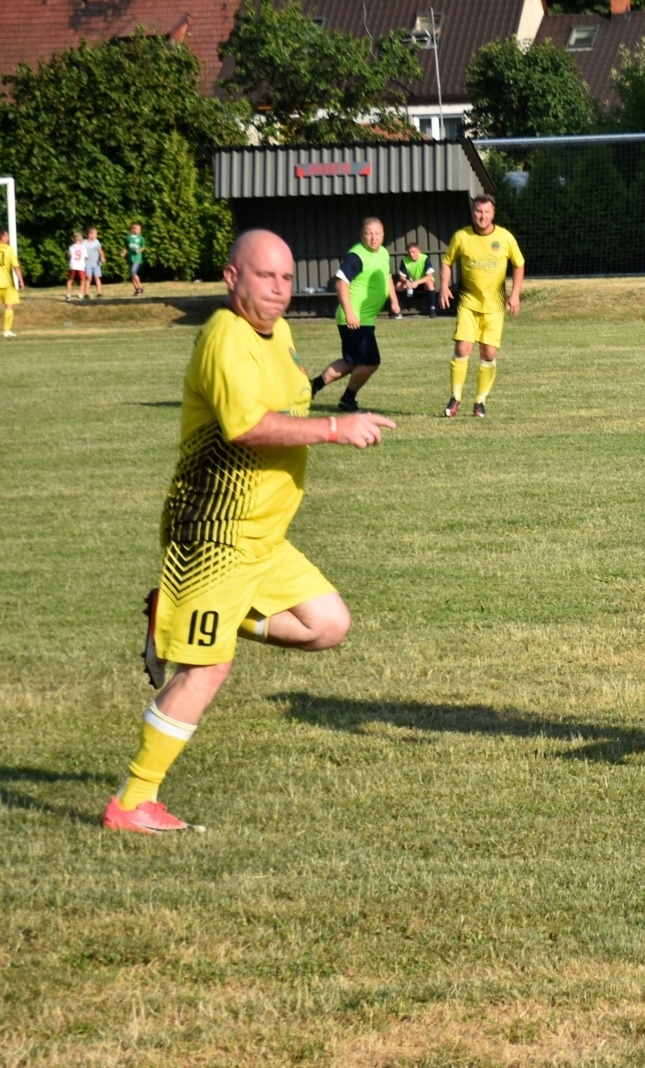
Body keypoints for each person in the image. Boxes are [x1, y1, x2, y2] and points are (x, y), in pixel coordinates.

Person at [105, 229, 396, 835]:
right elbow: (246, 427)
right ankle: (133, 801)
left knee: (328, 624)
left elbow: (289, 399)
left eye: (287, 279)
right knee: (207, 671)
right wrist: (336, 430)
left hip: (263, 537)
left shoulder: (279, 333)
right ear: (232, 277)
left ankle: (174, 614)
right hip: (213, 536)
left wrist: (321, 397)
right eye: (266, 277)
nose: (279, 290)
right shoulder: (223, 338)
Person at [439, 194, 525, 418]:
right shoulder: (462, 236)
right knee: (462, 348)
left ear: (493, 213)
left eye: (487, 212)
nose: (482, 216)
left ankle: (480, 402)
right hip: (468, 304)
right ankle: (455, 398)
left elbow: (519, 264)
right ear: (473, 212)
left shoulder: (504, 237)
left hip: (495, 307)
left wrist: (515, 294)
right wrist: (444, 286)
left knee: (488, 352)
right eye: (478, 211)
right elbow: (447, 261)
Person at [308, 217, 402, 413]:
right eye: (368, 234)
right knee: (370, 362)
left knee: (352, 362)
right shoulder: (356, 255)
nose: (373, 238)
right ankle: (347, 400)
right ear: (361, 235)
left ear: (383, 235)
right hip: (355, 319)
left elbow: (386, 277)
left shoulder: (383, 253)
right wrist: (350, 313)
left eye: (377, 233)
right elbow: (340, 282)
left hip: (364, 319)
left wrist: (393, 300)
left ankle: (312, 387)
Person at [394, 241, 437, 317]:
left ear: (418, 251)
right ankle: (398, 311)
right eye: (409, 252)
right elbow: (401, 277)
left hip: (423, 283)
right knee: (398, 285)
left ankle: (432, 309)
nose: (411, 254)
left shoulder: (425, 258)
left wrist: (417, 282)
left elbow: (429, 276)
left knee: (429, 284)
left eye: (413, 252)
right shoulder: (404, 260)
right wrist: (406, 281)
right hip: (411, 283)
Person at [0, 229, 23, 337]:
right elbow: (16, 266)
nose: (8, 238)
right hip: (7, 283)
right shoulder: (9, 249)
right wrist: (21, 280)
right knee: (9, 307)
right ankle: (6, 330)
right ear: (2, 237)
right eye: (7, 236)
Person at [123, 222, 146, 297]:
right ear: (132, 229)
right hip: (130, 258)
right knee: (132, 275)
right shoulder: (128, 238)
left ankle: (140, 287)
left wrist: (139, 251)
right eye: (138, 229)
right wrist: (124, 253)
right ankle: (137, 289)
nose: (139, 230)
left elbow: (143, 247)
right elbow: (126, 247)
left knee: (133, 272)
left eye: (140, 229)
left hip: (137, 258)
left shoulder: (140, 238)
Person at [83, 226, 106, 298]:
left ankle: (99, 293)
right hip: (87, 264)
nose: (96, 236)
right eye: (95, 234)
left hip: (96, 264)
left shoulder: (96, 242)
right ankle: (86, 293)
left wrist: (102, 257)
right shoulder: (84, 243)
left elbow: (100, 251)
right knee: (88, 278)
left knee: (97, 278)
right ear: (90, 235)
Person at [66, 232, 87, 301]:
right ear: (81, 239)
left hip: (73, 265)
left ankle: (68, 295)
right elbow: (85, 257)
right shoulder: (83, 248)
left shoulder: (71, 247)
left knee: (70, 280)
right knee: (82, 280)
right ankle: (80, 295)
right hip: (81, 265)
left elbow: (69, 256)